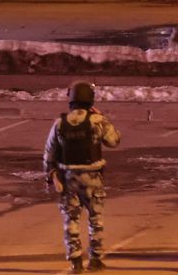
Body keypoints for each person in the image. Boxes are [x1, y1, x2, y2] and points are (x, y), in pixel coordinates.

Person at [43, 81, 122, 272]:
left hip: (68, 178)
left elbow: (49, 154)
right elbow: (114, 140)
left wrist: (51, 175)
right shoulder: (97, 121)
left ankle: (75, 260)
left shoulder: (60, 123)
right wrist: (101, 116)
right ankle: (95, 259)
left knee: (71, 220)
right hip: (92, 177)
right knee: (95, 219)